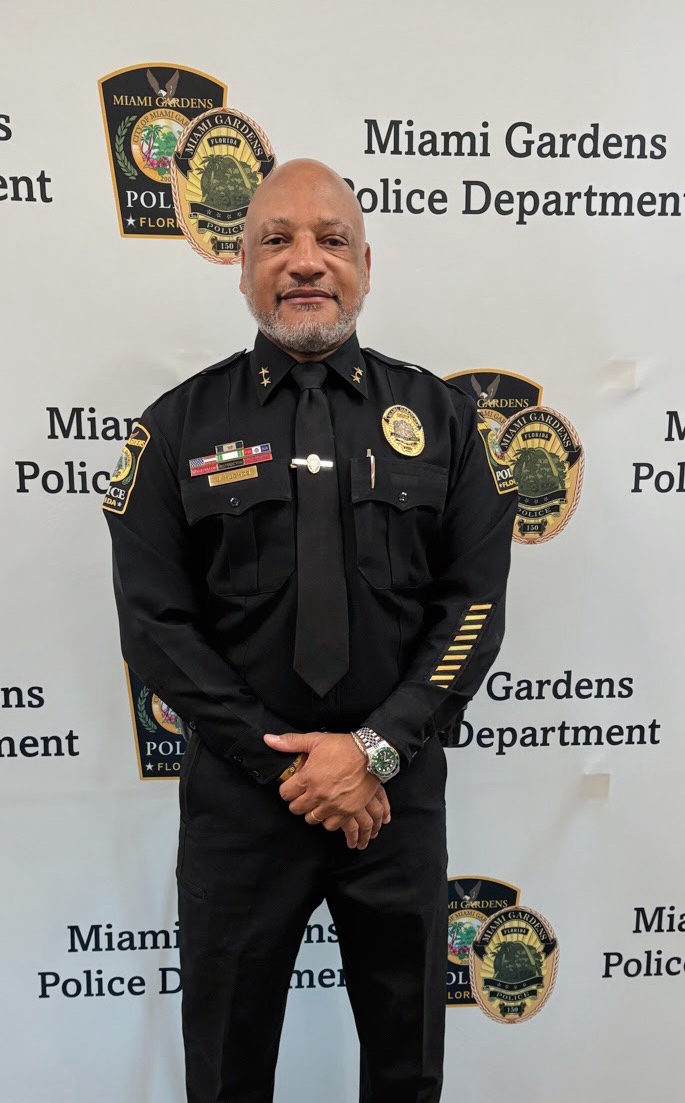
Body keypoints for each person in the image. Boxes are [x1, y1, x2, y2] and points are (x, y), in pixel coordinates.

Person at [102, 158, 517, 1103]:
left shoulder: (444, 421)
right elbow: (154, 624)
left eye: (330, 240)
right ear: (238, 264)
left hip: (392, 799)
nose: (304, 263)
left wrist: (371, 753)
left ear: (366, 263)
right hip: (243, 811)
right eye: (275, 241)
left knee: (406, 1070)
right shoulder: (175, 430)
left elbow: (474, 607)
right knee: (226, 1071)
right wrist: (293, 767)